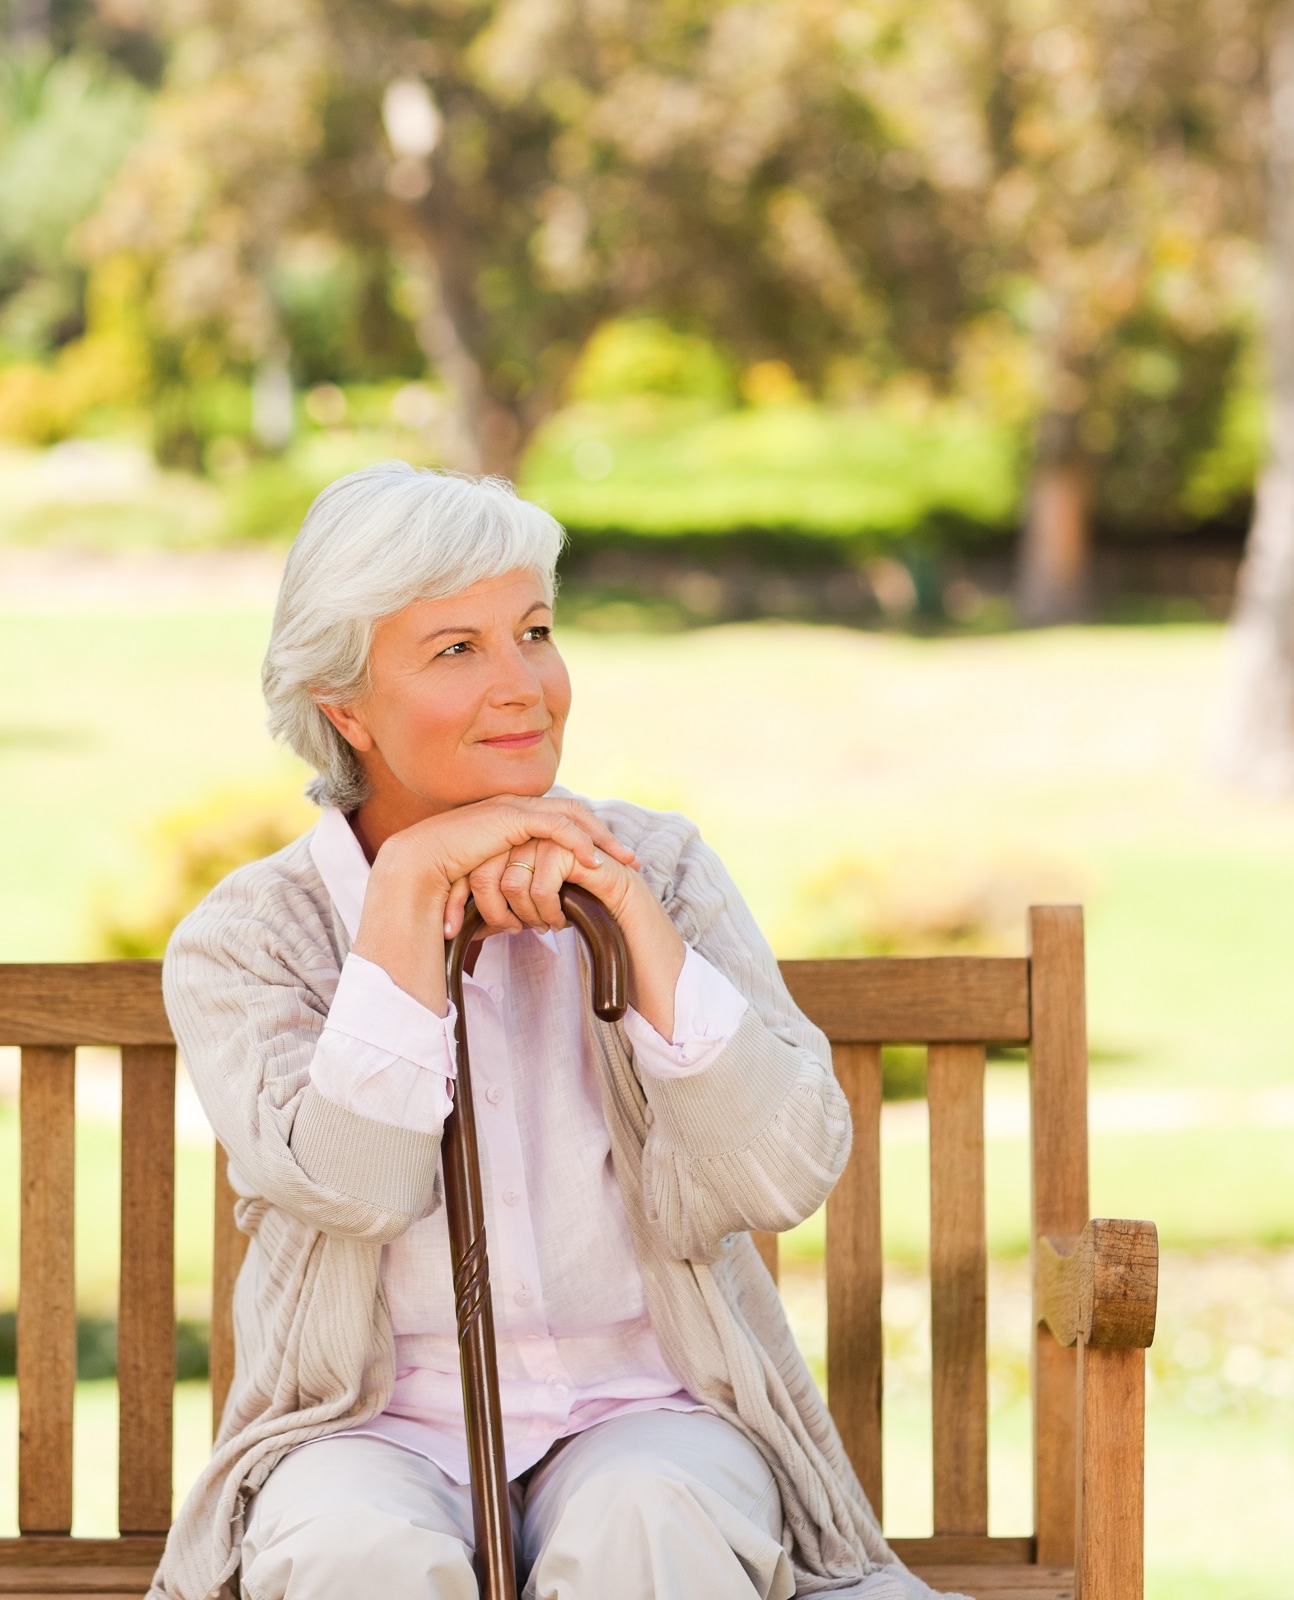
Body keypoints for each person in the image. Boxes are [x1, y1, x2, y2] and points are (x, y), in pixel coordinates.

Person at [153, 464, 940, 1600]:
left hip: (653, 1409)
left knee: (650, 1517)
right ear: (344, 704)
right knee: (350, 1553)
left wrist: (631, 920)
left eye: (534, 630)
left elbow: (781, 1169)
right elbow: (359, 1185)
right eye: (457, 649)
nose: (525, 685)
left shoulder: (659, 867)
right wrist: (411, 891)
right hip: (366, 1430)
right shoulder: (249, 940)